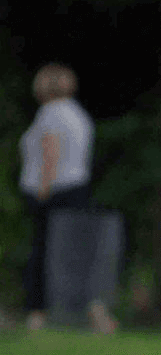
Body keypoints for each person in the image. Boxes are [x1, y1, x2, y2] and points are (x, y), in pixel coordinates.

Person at [18, 63, 118, 334]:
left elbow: (51, 151)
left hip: (53, 192)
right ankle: (93, 309)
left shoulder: (50, 113)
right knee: (77, 254)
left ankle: (37, 312)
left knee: (44, 253)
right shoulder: (79, 114)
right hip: (78, 190)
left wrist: (43, 189)